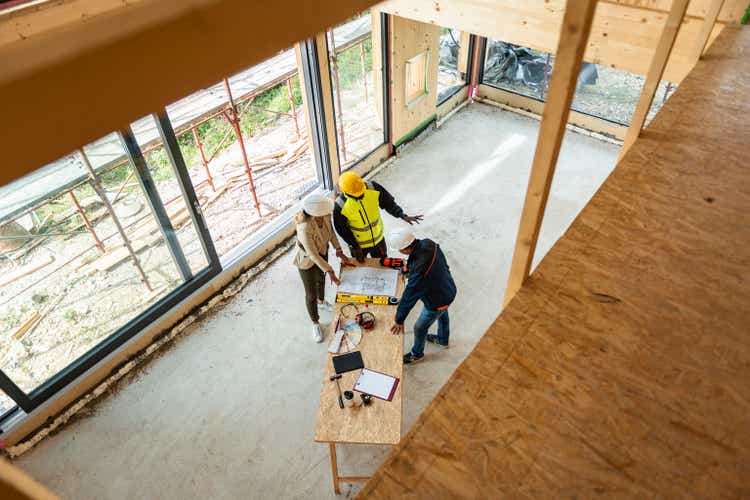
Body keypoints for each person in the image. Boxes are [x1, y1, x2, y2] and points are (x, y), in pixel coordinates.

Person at [388, 228, 457, 364]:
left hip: (437, 301)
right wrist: (409, 268)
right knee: (442, 314)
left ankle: (417, 354)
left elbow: (409, 296)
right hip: (448, 289)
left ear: (405, 249)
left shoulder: (420, 273)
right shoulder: (429, 244)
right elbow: (432, 261)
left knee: (419, 327)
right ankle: (442, 339)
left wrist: (399, 319)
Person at [333, 171, 423, 263]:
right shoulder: (340, 205)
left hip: (378, 240)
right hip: (359, 246)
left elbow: (388, 203)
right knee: (362, 267)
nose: (360, 195)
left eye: (361, 192)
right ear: (345, 192)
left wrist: (401, 215)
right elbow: (342, 230)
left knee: (383, 263)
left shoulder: (373, 188)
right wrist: (354, 246)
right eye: (357, 195)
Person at [294, 192, 347, 343]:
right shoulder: (304, 227)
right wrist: (330, 271)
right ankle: (315, 322)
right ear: (314, 213)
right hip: (307, 261)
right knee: (310, 294)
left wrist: (338, 250)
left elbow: (331, 235)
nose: (328, 213)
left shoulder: (325, 215)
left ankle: (322, 301)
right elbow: (312, 255)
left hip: (322, 252)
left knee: (321, 281)